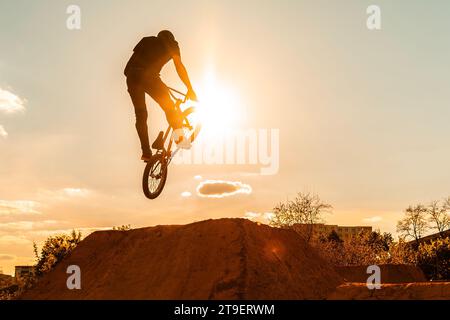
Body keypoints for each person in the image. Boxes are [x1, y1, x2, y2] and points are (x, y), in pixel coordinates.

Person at [124, 30, 197, 161]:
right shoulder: (173, 44)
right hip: (149, 77)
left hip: (132, 78)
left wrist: (136, 75)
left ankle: (146, 152)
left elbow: (126, 68)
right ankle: (179, 139)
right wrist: (190, 88)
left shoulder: (146, 40)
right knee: (169, 107)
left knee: (141, 115)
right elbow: (179, 67)